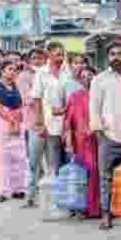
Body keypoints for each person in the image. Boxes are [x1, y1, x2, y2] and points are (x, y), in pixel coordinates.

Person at [90, 42, 121, 230]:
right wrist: (99, 132)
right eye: (112, 54)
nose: (116, 57)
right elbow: (94, 108)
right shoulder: (99, 80)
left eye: (120, 54)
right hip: (108, 135)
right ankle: (106, 214)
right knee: (106, 177)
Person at [28, 42, 72, 207]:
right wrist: (39, 122)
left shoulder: (68, 71)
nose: (60, 57)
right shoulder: (41, 73)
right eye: (57, 54)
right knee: (42, 160)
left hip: (65, 122)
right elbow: (36, 99)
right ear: (49, 55)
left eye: (62, 54)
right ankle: (36, 196)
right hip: (47, 122)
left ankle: (61, 198)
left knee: (61, 161)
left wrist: (64, 111)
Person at [63, 65, 101, 219]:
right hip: (81, 142)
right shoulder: (75, 96)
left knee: (99, 174)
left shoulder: (101, 93)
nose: (87, 79)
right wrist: (69, 142)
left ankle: (98, 208)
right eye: (83, 76)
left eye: (90, 75)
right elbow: (68, 122)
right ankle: (82, 206)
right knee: (83, 174)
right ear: (79, 79)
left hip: (100, 138)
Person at [0, 62, 28, 203]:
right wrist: (10, 119)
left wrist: (17, 120)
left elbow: (22, 104)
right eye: (10, 69)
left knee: (19, 157)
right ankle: (2, 191)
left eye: (15, 70)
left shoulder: (16, 86)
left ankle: (19, 189)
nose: (13, 72)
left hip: (17, 124)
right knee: (1, 158)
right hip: (1, 124)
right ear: (2, 71)